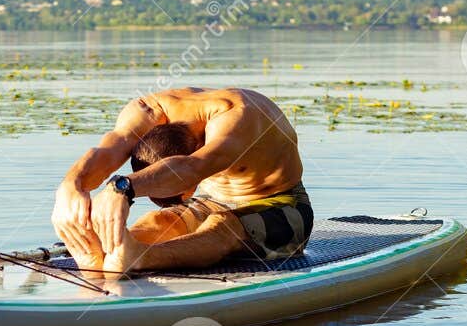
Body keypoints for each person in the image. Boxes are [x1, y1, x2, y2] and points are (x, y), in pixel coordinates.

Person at [51, 85, 312, 275]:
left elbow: (192, 167)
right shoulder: (149, 110)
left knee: (223, 226)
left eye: (183, 192)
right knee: (160, 220)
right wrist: (72, 185)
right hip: (213, 202)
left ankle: (139, 257)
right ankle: (107, 253)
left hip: (282, 205)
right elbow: (109, 148)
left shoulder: (239, 118)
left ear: (198, 145)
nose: (186, 195)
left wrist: (123, 188)